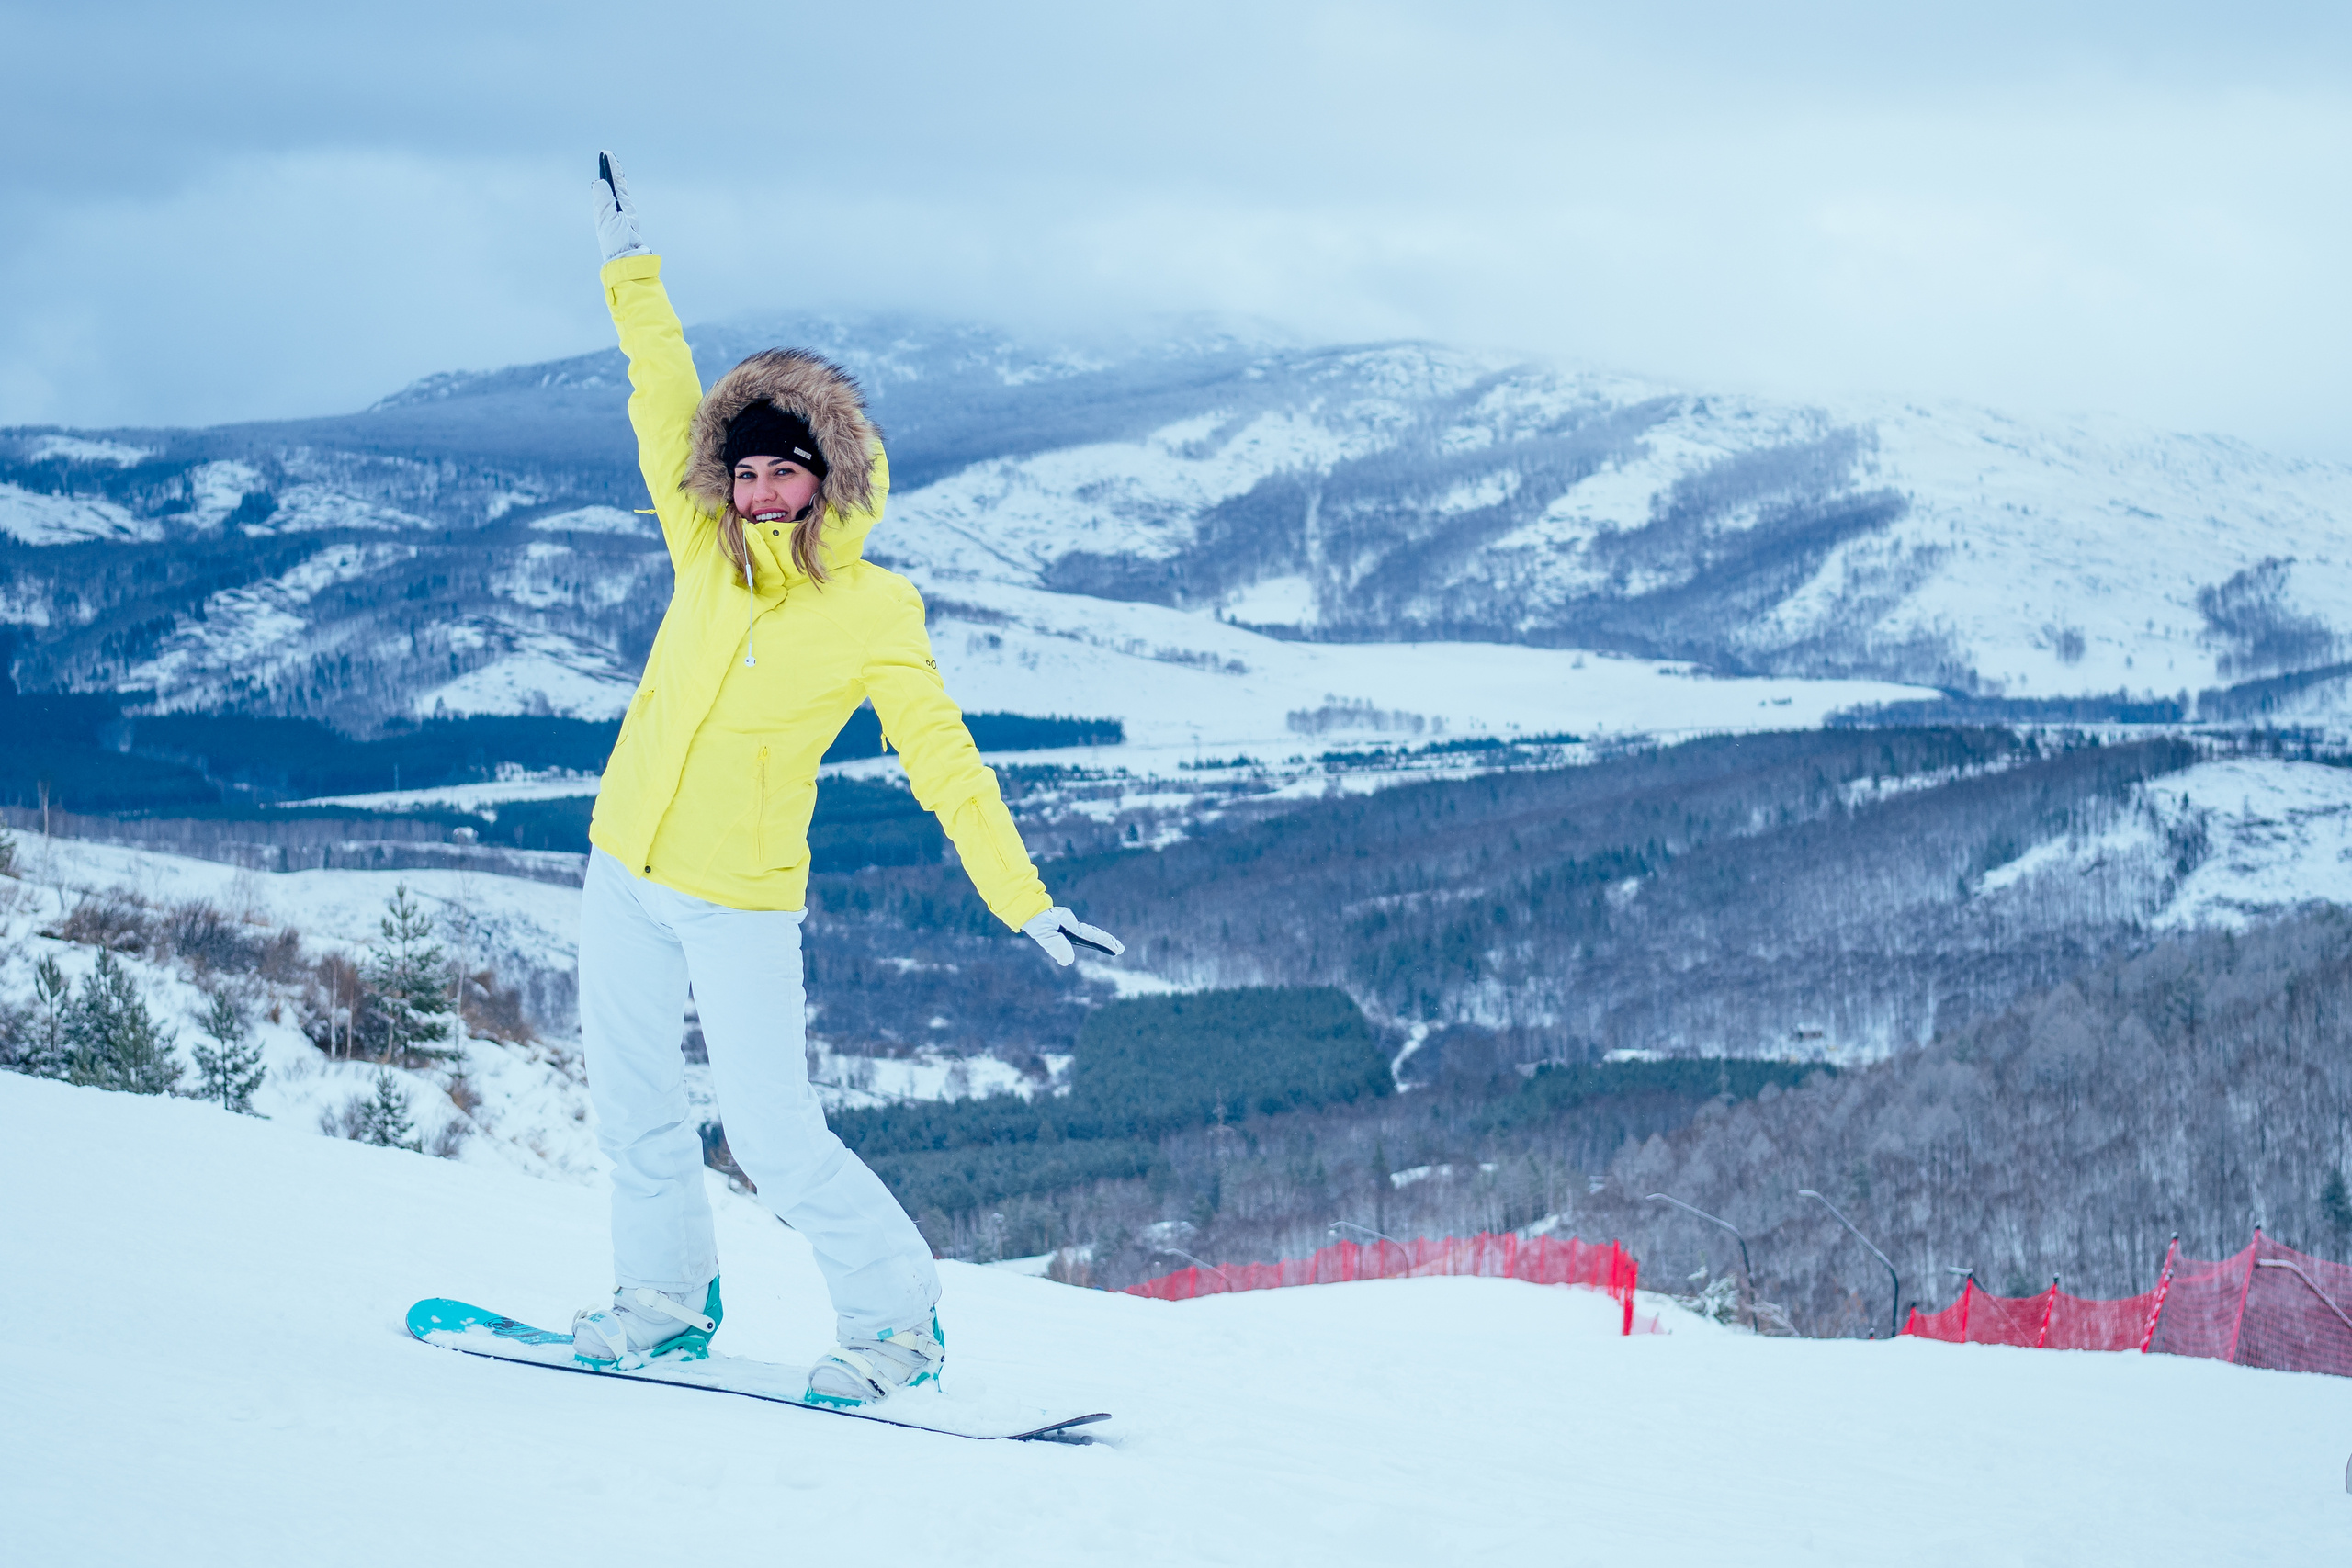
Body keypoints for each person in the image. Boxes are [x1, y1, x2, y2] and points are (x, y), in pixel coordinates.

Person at [570, 152, 1122, 1408]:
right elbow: (662, 386)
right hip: (624, 862)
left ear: (829, 473)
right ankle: (659, 1305)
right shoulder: (701, 550)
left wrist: (1022, 896)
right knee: (635, 1111)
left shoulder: (873, 609)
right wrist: (627, 265)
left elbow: (943, 757)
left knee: (772, 1137)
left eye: (785, 470)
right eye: (746, 471)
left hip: (740, 895)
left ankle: (897, 1326)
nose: (762, 492)